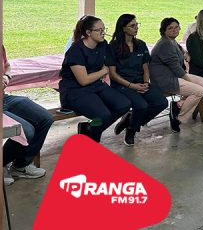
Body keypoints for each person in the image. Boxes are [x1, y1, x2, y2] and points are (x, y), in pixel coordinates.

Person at [59, 15, 132, 142]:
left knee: (124, 104)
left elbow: (107, 62)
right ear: (88, 32)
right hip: (75, 90)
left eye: (104, 29)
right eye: (99, 30)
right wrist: (103, 71)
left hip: (96, 86)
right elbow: (84, 80)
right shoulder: (75, 51)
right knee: (102, 115)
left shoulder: (102, 45)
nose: (103, 32)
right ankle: (92, 141)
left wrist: (103, 71)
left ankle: (90, 129)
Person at [107, 14, 168, 146]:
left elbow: (145, 67)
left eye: (137, 25)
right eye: (132, 26)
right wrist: (132, 86)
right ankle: (132, 131)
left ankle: (131, 122)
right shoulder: (113, 46)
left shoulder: (140, 44)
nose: (136, 28)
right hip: (122, 85)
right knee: (141, 106)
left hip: (140, 82)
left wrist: (146, 83)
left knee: (162, 103)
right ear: (123, 28)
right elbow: (112, 74)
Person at [150, 17, 203, 132]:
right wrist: (189, 81)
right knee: (199, 91)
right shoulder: (165, 44)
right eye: (170, 28)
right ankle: (178, 119)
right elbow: (177, 69)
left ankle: (178, 105)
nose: (174, 30)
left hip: (173, 75)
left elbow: (180, 49)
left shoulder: (172, 41)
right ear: (164, 31)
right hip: (165, 79)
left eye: (176, 27)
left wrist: (185, 53)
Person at [3, 46, 53, 184]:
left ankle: (20, 165)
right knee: (25, 130)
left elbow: (7, 65)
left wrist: (6, 76)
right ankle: (2, 164)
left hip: (4, 98)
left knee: (45, 118)